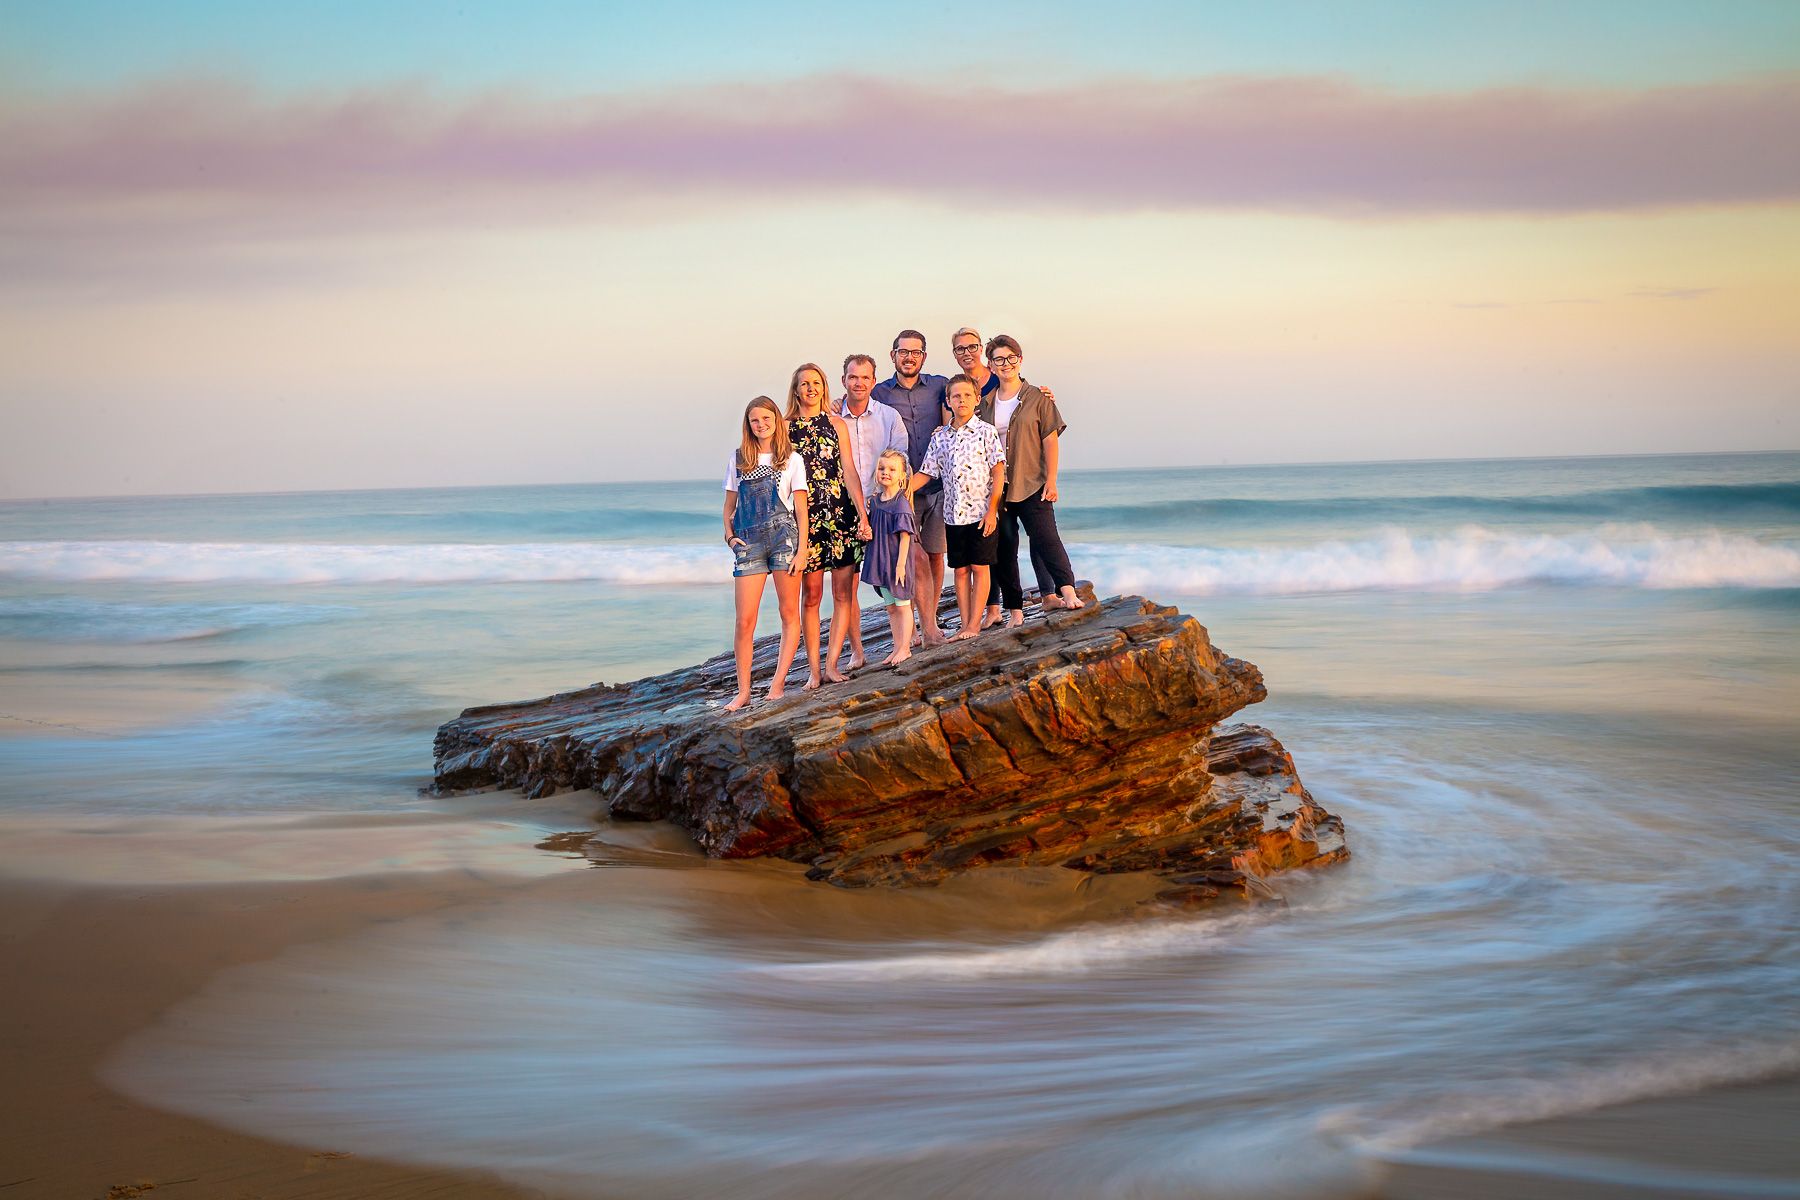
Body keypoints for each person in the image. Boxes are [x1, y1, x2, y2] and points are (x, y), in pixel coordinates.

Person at [977, 334, 1082, 627]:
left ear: (1019, 360)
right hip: (998, 487)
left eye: (1011, 358)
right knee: (1004, 547)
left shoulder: (1037, 397)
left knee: (1046, 537)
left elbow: (1050, 441)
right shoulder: (984, 404)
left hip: (1032, 481)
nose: (1006, 363)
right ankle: (1015, 610)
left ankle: (1067, 591)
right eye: (999, 359)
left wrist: (1052, 480)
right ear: (992, 365)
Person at [786, 362, 871, 688]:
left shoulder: (836, 424)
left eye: (816, 383)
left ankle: (833, 664)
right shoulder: (785, 427)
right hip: (805, 522)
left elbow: (848, 470)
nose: (810, 388)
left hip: (841, 517)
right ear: (796, 390)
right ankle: (813, 670)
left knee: (842, 593)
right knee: (810, 595)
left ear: (824, 387)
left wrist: (862, 515)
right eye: (804, 383)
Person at [721, 397, 809, 711]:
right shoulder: (738, 459)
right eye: (755, 420)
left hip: (785, 540)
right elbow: (729, 509)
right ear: (749, 425)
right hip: (749, 544)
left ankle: (777, 684)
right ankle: (743, 691)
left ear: (776, 420)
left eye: (766, 418)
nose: (761, 424)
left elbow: (801, 510)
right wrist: (730, 538)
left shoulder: (792, 459)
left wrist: (802, 550)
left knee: (789, 615)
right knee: (744, 621)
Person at [910, 374, 1005, 643]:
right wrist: (898, 488)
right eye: (955, 396)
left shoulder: (986, 432)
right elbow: (926, 474)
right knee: (961, 571)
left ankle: (974, 623)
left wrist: (992, 511)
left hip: (981, 514)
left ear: (976, 399)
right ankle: (965, 625)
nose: (961, 400)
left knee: (980, 567)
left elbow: (998, 473)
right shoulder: (940, 437)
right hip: (953, 515)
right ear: (948, 402)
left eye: (966, 395)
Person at [872, 329, 950, 646]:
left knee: (934, 556)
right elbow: (855, 410)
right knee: (911, 558)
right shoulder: (879, 392)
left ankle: (928, 621)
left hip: (938, 485)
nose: (909, 357)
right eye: (903, 352)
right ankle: (923, 630)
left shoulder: (939, 385)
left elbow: (975, 398)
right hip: (901, 492)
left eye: (916, 352)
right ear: (893, 355)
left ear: (924, 356)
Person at [834, 353, 908, 670]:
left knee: (896, 575)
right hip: (844, 509)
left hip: (883, 509)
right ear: (844, 381)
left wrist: (889, 500)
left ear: (873, 381)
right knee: (847, 584)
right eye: (853, 377)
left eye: (865, 377)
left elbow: (901, 460)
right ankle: (857, 651)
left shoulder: (889, 416)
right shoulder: (833, 418)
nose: (859, 383)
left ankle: (907, 639)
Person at [861, 449, 918, 666]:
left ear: (902, 476)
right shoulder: (875, 502)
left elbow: (906, 538)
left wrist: (901, 565)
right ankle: (896, 647)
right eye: (882, 468)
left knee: (903, 606)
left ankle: (905, 648)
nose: (886, 472)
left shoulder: (901, 503)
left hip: (896, 563)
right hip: (881, 562)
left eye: (892, 469)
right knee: (891, 607)